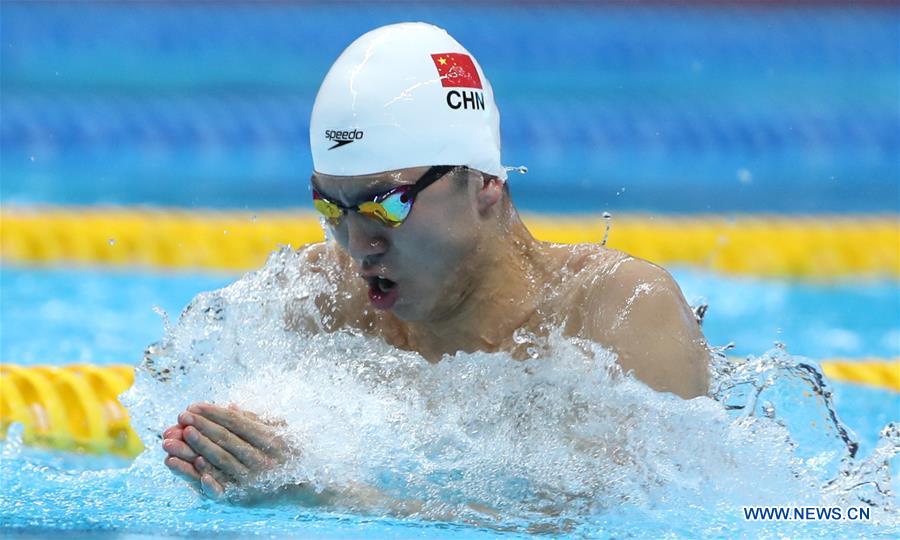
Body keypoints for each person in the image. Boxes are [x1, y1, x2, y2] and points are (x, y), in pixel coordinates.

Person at [161, 22, 709, 502]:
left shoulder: (616, 312)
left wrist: (333, 496)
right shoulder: (323, 298)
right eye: (331, 207)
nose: (356, 243)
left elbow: (630, 520)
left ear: (486, 181)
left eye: (387, 204)